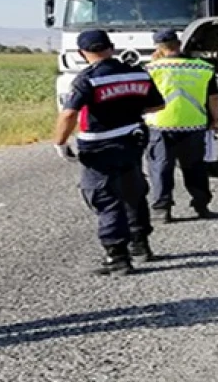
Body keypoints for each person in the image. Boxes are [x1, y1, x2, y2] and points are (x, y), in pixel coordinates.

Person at [53, 29, 165, 276]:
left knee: (105, 198)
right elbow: (159, 104)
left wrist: (60, 144)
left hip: (99, 146)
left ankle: (117, 257)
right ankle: (141, 245)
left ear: (83, 54)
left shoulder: (87, 79)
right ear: (111, 47)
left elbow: (69, 113)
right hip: (132, 139)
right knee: (133, 191)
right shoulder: (138, 72)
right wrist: (130, 106)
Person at [143, 28, 218, 223]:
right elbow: (214, 98)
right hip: (193, 125)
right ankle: (201, 205)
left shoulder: (150, 69)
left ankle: (163, 209)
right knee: (195, 167)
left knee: (160, 167)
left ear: (158, 48)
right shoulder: (203, 68)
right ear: (179, 44)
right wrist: (215, 119)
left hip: (159, 125)